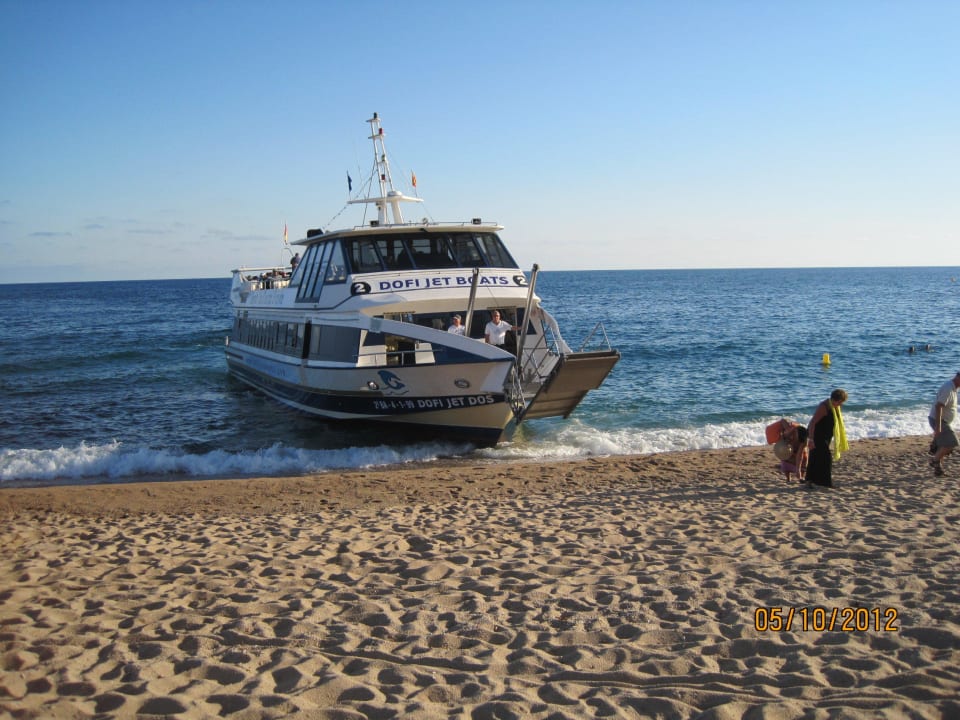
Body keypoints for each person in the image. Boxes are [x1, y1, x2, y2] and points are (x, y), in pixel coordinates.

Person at [805, 389, 849, 488]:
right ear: (835, 400)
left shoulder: (834, 407)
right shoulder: (824, 407)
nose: (841, 405)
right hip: (817, 435)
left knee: (815, 457)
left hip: (825, 436)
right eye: (840, 402)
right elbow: (813, 423)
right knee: (826, 458)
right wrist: (811, 439)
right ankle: (824, 483)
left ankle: (810, 481)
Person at [928, 372, 960, 477]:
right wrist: (938, 427)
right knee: (952, 442)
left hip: (943, 421)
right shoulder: (948, 388)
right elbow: (939, 406)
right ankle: (934, 460)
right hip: (939, 420)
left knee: (943, 445)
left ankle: (938, 470)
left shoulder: (954, 388)